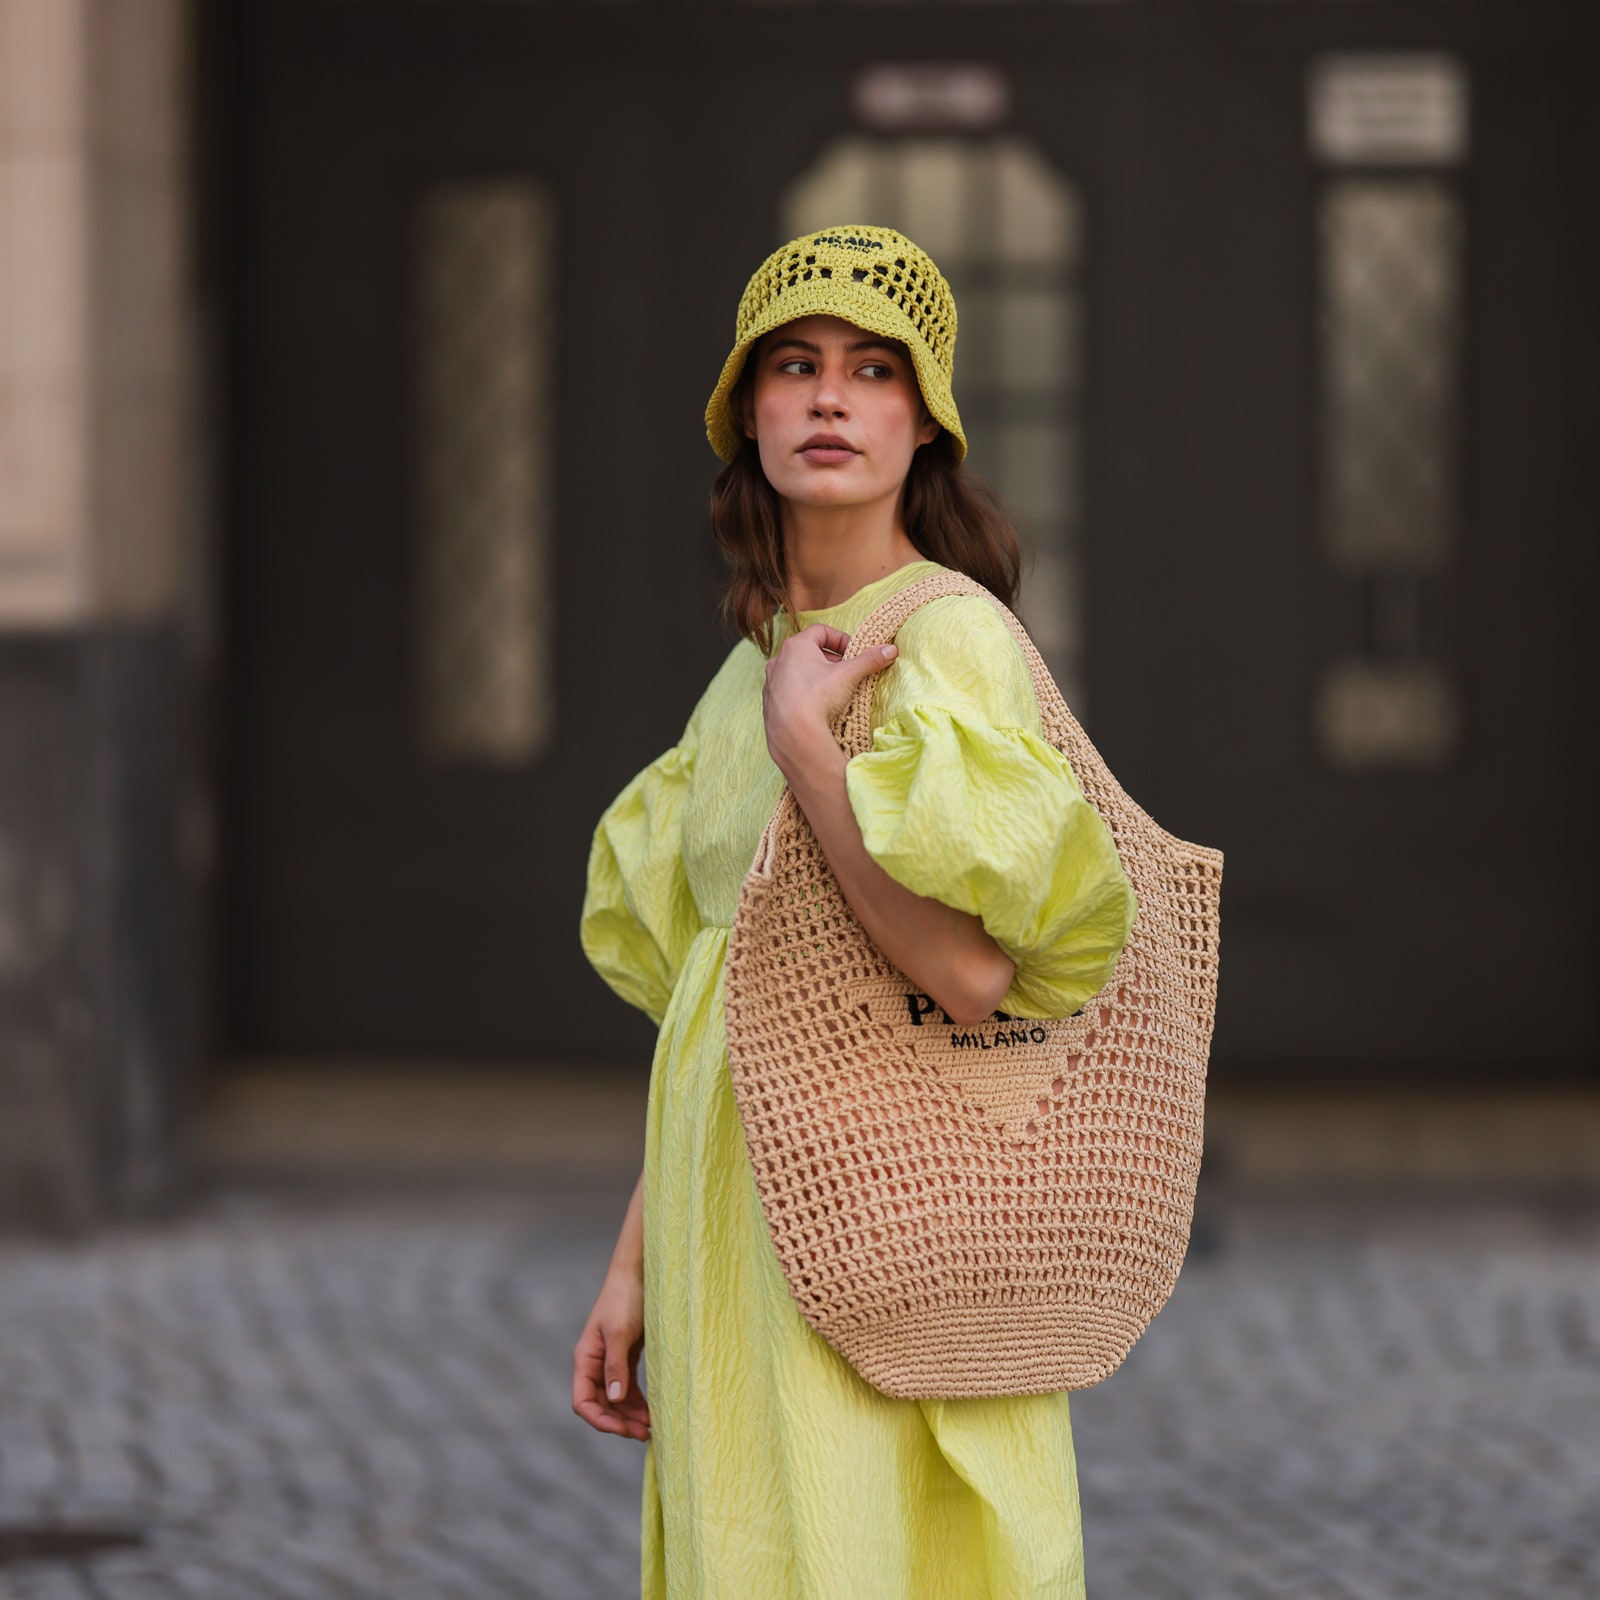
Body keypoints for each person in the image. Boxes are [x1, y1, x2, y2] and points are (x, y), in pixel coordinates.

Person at [573, 226, 1137, 1600]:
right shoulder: (746, 670)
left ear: (922, 421)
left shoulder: (949, 640)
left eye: (874, 371)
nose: (830, 398)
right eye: (797, 365)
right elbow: (727, 994)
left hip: (887, 1231)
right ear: (746, 414)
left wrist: (812, 753)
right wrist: (636, 1262)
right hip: (729, 1234)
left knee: (873, 1553)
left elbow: (972, 976)